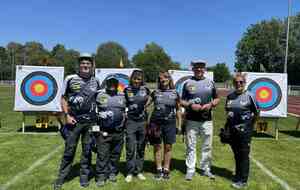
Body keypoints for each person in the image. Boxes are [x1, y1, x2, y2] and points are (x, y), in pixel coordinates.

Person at [54, 53, 100, 190]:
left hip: (90, 122)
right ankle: (62, 177)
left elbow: (99, 99)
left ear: (92, 66)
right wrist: (67, 115)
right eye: (83, 63)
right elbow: (63, 98)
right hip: (73, 121)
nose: (85, 65)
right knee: (69, 150)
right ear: (79, 65)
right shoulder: (70, 78)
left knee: (87, 151)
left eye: (88, 63)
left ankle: (84, 177)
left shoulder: (96, 81)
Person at [181, 59, 220, 181]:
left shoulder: (210, 83)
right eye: (196, 67)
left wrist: (211, 105)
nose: (199, 69)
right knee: (191, 146)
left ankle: (205, 169)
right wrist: (190, 106)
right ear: (193, 69)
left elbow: (217, 99)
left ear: (205, 69)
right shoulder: (187, 83)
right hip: (191, 120)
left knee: (207, 146)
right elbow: (181, 101)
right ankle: (190, 170)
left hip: (207, 120)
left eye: (201, 67)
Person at [225, 73, 259, 189]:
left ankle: (243, 180)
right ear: (233, 83)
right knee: (236, 154)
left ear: (244, 83)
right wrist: (227, 128)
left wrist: (250, 125)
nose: (238, 84)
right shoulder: (230, 96)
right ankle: (238, 175)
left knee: (244, 155)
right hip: (233, 131)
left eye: (241, 82)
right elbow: (228, 113)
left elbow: (257, 113)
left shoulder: (250, 96)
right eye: (236, 82)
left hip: (245, 131)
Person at [146, 70, 181, 180]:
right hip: (155, 123)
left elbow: (178, 109)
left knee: (168, 146)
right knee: (157, 146)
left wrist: (179, 125)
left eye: (165, 77)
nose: (163, 80)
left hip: (170, 123)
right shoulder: (155, 92)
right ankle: (158, 169)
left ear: (169, 79)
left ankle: (166, 169)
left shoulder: (175, 93)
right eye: (161, 78)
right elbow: (146, 105)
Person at [94, 77, 126, 187]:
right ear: (106, 84)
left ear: (117, 84)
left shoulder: (123, 95)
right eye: (110, 83)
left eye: (114, 83)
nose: (112, 85)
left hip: (118, 130)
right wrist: (98, 115)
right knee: (102, 154)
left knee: (115, 154)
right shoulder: (98, 94)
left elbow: (126, 111)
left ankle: (112, 172)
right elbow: (92, 110)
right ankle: (101, 176)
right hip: (104, 130)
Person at [124, 70, 150, 182]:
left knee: (141, 147)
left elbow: (150, 98)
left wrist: (147, 106)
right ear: (131, 79)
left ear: (141, 80)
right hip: (130, 122)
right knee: (130, 148)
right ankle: (129, 172)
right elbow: (122, 103)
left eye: (139, 79)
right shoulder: (126, 90)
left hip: (142, 122)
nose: (136, 81)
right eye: (135, 78)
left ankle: (138, 171)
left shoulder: (146, 90)